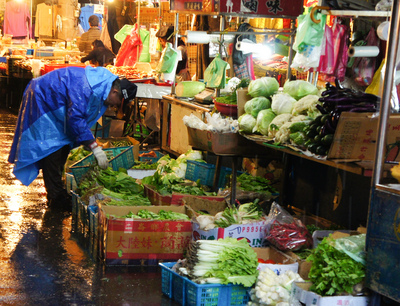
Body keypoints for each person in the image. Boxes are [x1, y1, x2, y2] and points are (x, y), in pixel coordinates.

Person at [8, 66, 137, 211]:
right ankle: (56, 199)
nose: (114, 106)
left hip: (57, 105)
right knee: (52, 148)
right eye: (117, 103)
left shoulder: (102, 86)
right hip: (43, 99)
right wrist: (94, 147)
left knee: (61, 147)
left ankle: (56, 193)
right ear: (114, 91)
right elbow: (76, 118)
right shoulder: (87, 87)